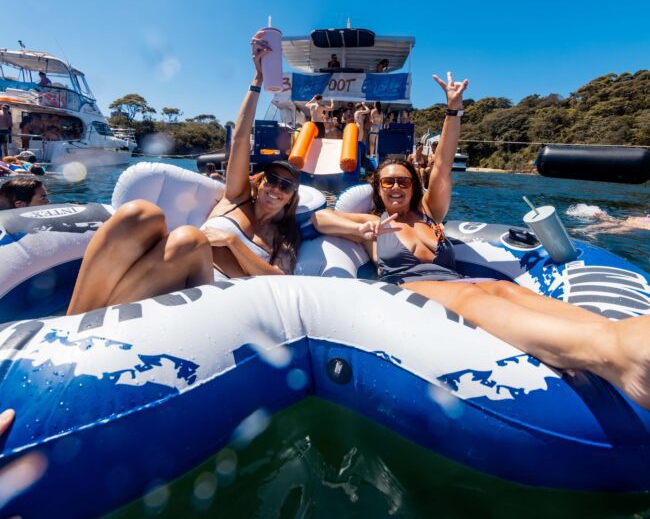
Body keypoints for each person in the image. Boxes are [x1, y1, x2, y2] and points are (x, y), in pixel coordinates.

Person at [312, 71, 650, 410]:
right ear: (378, 190)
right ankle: (608, 352)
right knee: (470, 294)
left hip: (462, 282)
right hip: (412, 291)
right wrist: (359, 231)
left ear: (414, 185)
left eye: (403, 180)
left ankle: (620, 332)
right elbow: (320, 218)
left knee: (505, 290)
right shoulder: (374, 221)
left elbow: (442, 165)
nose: (396, 187)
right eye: (388, 183)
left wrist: (453, 110)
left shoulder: (431, 213)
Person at [67, 35, 301, 315]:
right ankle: (74, 321)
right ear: (260, 183)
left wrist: (233, 243)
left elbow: (281, 282)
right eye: (272, 180)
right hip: (169, 274)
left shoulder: (283, 236)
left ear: (290, 199)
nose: (277, 188)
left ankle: (95, 320)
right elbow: (239, 140)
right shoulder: (237, 198)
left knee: (191, 240)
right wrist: (258, 80)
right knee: (139, 214)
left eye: (286, 186)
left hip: (212, 298)